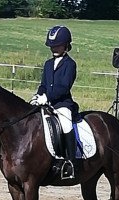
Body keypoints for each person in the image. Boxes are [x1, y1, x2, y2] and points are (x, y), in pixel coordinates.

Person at [30, 25, 79, 179]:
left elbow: (64, 87)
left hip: (62, 104)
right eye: (52, 46)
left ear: (66, 45)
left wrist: (48, 97)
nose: (54, 48)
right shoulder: (48, 64)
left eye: (57, 45)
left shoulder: (70, 64)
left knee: (65, 124)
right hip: (47, 103)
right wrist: (38, 96)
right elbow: (43, 84)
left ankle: (71, 162)